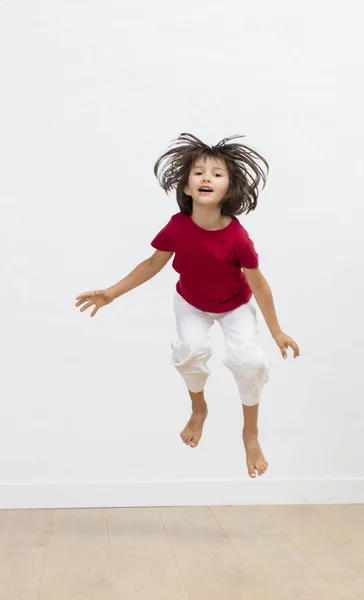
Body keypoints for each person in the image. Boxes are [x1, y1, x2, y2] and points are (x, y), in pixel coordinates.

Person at [75, 133, 299, 478]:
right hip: (192, 303)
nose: (206, 178)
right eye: (198, 172)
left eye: (216, 173)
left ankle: (250, 432)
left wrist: (277, 331)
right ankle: (199, 409)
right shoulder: (178, 227)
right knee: (190, 350)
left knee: (249, 361)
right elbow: (153, 264)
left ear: (230, 188)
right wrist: (111, 292)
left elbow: (258, 284)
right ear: (186, 186)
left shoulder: (238, 237)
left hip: (234, 305)